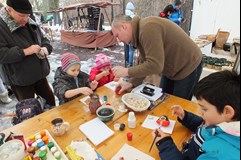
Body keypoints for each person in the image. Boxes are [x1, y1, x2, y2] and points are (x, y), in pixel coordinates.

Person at [152, 70, 240, 160]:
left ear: (227, 112)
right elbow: (203, 126)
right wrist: (185, 116)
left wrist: (164, 144)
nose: (199, 112)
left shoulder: (217, 155)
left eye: (204, 109)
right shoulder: (220, 123)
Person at [111, 15, 203, 100]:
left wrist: (126, 71)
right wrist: (131, 82)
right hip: (171, 69)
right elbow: (145, 64)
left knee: (178, 108)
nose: (118, 40)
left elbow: (155, 65)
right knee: (163, 101)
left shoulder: (147, 28)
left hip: (188, 65)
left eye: (117, 35)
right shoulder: (138, 35)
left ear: (124, 27)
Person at [0, 0, 55, 106]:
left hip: (40, 74)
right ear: (9, 10)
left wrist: (46, 48)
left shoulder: (29, 19)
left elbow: (43, 38)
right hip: (20, 79)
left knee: (50, 104)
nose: (26, 19)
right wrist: (25, 52)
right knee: (29, 112)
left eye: (28, 15)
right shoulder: (1, 26)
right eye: (22, 15)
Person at [124, 2, 136, 67]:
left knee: (127, 49)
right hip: (131, 35)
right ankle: (130, 64)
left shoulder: (124, 15)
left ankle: (127, 61)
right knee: (131, 50)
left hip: (124, 35)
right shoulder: (133, 16)